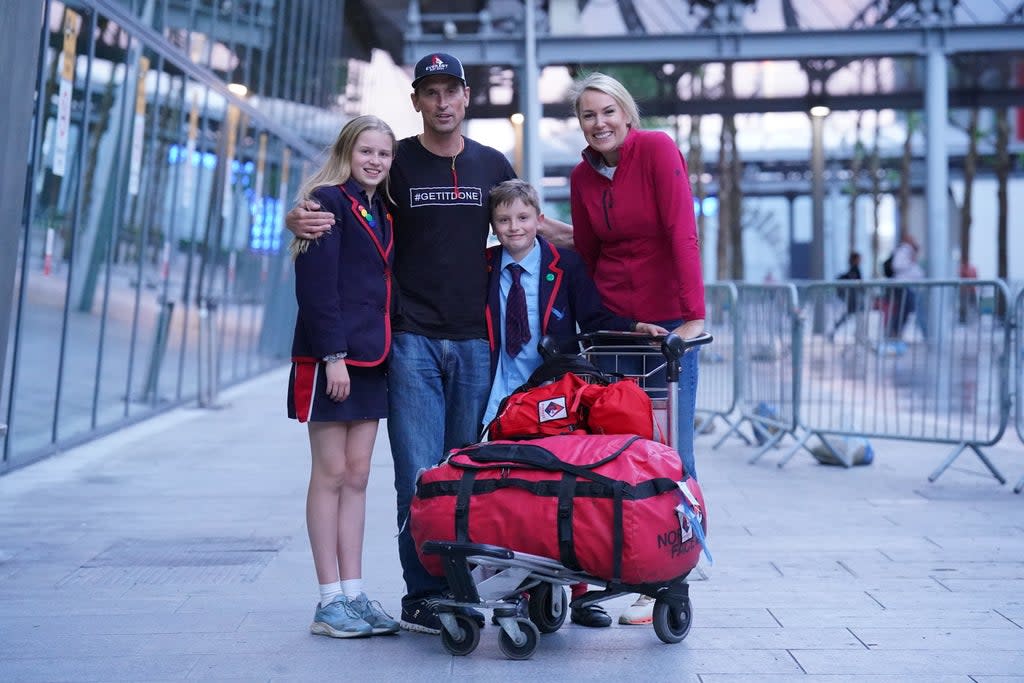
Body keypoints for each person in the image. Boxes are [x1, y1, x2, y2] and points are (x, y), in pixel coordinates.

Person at [285, 53, 572, 635]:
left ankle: (463, 584)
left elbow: (531, 227)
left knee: (466, 470)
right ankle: (423, 593)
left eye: (452, 91)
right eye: (430, 92)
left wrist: (605, 244)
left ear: (467, 98)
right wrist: (300, 216)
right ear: (416, 101)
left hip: (475, 343)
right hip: (410, 340)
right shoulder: (397, 164)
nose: (442, 102)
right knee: (416, 474)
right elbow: (346, 204)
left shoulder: (493, 163)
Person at [481, 179, 668, 628]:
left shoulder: (564, 263)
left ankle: (580, 591)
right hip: (495, 389)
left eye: (523, 218)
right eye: (504, 220)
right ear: (493, 225)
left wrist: (636, 326)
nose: (514, 228)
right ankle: (523, 587)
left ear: (539, 219)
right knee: (510, 490)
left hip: (551, 391)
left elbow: (596, 316)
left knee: (562, 486)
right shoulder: (482, 265)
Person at [568, 72, 707, 625]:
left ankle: (670, 580)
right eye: (587, 115)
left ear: (626, 114)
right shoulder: (581, 176)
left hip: (668, 323)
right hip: (613, 328)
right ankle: (610, 567)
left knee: (672, 449)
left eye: (607, 111)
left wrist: (693, 317)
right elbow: (585, 252)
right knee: (611, 450)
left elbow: (682, 231)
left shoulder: (655, 150)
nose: (598, 123)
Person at [286, 115, 400, 639]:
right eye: (366, 151)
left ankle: (354, 593)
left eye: (384, 153)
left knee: (357, 477)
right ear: (348, 152)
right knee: (329, 475)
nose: (375, 161)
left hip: (372, 360)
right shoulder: (326, 204)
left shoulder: (384, 211)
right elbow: (316, 288)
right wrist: (332, 354)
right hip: (332, 360)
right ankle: (328, 600)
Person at [885, 233, 924, 340]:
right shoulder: (904, 251)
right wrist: (911, 260)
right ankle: (894, 332)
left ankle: (896, 332)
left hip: (907, 286)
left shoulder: (908, 252)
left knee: (906, 309)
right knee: (904, 309)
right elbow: (898, 266)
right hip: (903, 285)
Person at [829, 251, 863, 340]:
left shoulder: (855, 269)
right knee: (851, 315)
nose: (861, 260)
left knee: (851, 315)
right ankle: (835, 330)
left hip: (854, 297)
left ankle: (857, 333)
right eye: (859, 258)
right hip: (853, 297)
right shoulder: (854, 270)